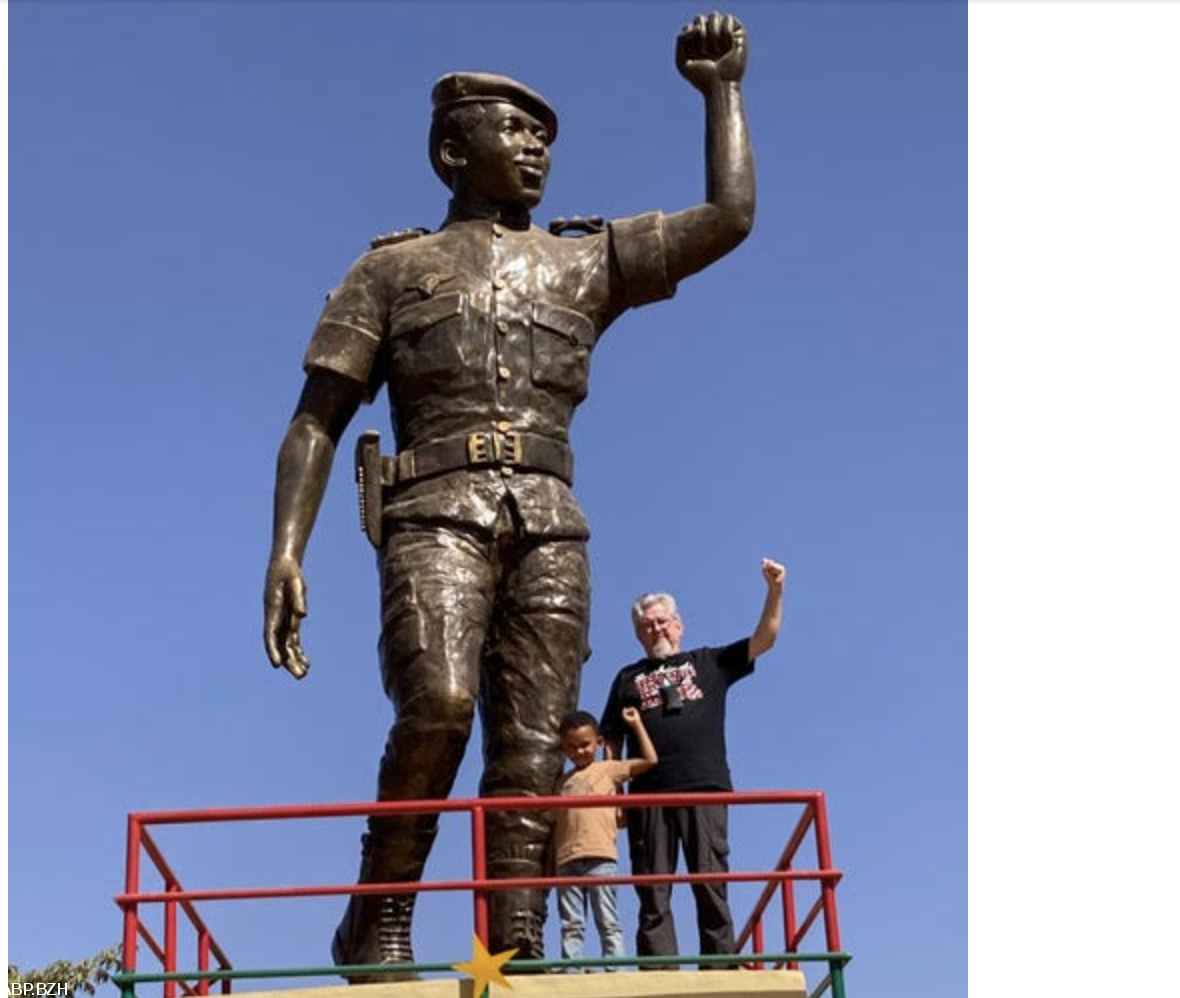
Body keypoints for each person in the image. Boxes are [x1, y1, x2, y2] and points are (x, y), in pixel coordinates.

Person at [259, 12, 755, 978]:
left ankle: (512, 943)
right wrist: (287, 549)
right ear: (453, 149)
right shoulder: (391, 270)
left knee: (532, 740)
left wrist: (722, 92)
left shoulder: (581, 260)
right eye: (515, 131)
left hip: (548, 520)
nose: (537, 150)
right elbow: (315, 417)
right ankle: (382, 916)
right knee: (439, 705)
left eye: (547, 140)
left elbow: (727, 219)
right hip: (433, 509)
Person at [598, 558, 785, 964]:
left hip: (704, 786)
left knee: (710, 880)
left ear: (679, 624)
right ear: (637, 635)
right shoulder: (626, 678)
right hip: (647, 795)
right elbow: (610, 742)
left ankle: (720, 963)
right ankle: (660, 971)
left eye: (663, 621)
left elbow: (764, 639)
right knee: (652, 888)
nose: (657, 629)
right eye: (647, 625)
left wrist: (775, 590)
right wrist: (612, 796)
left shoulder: (709, 662)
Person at [553, 707, 657, 971]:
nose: (580, 752)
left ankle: (615, 968)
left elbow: (649, 760)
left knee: (607, 919)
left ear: (598, 743)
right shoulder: (561, 783)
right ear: (563, 749)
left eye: (586, 745)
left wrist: (636, 725)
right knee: (571, 923)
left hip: (601, 857)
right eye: (572, 747)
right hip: (567, 859)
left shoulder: (608, 769)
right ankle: (572, 969)